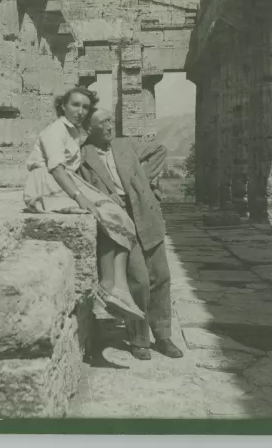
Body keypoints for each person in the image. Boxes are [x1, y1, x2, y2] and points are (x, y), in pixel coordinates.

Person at [23, 86, 144, 321]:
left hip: (66, 181)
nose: (80, 111)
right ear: (63, 106)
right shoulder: (54, 131)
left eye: (85, 107)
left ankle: (119, 288)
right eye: (75, 105)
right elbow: (57, 169)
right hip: (48, 184)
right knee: (105, 213)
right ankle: (110, 285)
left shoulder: (75, 132)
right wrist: (81, 197)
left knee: (120, 216)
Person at [79, 108, 184, 360]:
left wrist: (141, 182)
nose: (108, 126)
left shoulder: (126, 144)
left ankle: (163, 335)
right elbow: (77, 185)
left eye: (109, 121)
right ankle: (139, 339)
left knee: (161, 275)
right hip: (118, 220)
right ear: (89, 129)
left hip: (145, 214)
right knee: (139, 280)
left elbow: (160, 150)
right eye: (102, 122)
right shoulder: (83, 155)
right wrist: (103, 198)